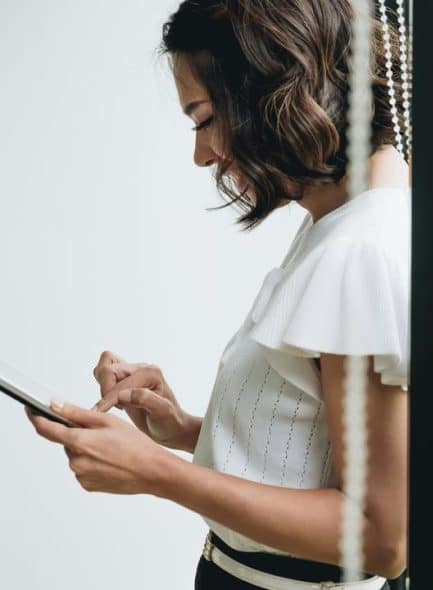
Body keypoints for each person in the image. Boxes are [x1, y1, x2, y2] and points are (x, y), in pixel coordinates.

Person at [26, 1, 410, 588]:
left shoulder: (360, 251)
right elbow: (314, 448)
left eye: (203, 118)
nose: (201, 154)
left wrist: (158, 473)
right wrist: (182, 429)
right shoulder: (333, 227)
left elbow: (382, 538)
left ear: (270, 90)